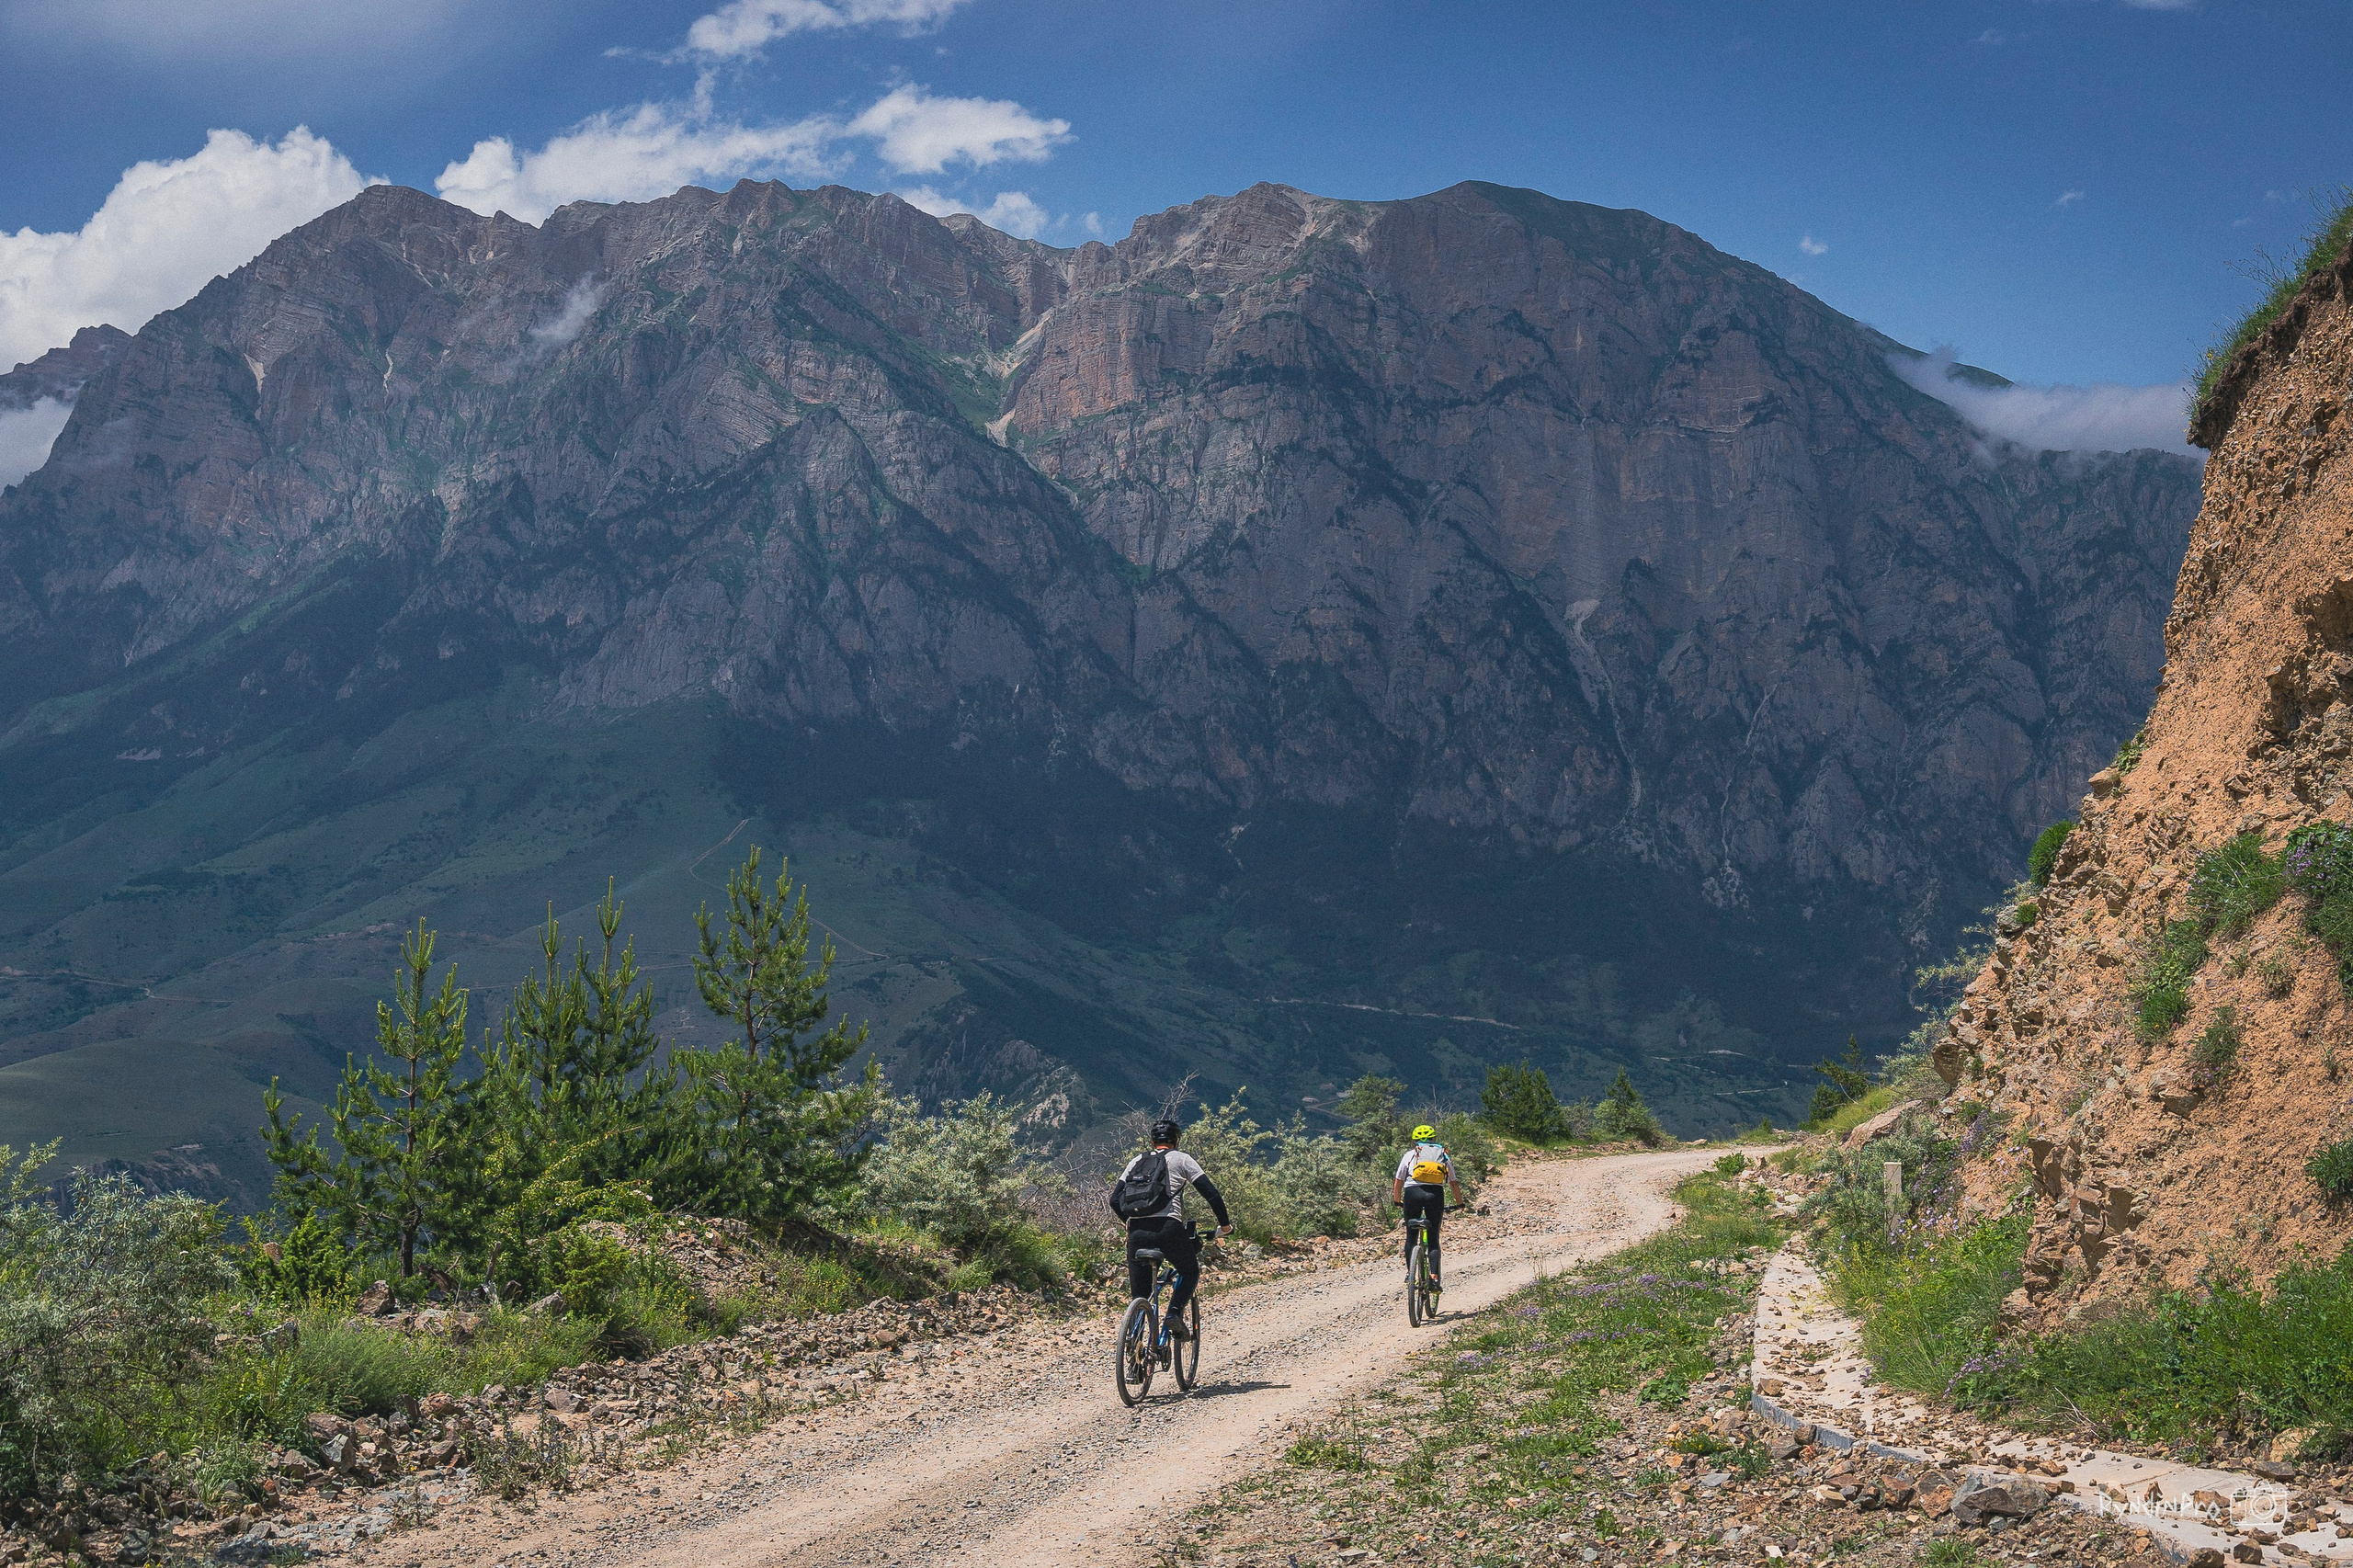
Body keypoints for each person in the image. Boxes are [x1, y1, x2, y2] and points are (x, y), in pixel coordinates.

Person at [1117, 1117, 1233, 1346]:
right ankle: (1174, 1314)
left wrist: (1129, 1222)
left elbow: (1114, 1200)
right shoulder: (1182, 1160)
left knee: (1140, 1296)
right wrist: (1225, 1225)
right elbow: (1211, 1194)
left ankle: (1134, 1354)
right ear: (1176, 1141)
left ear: (1152, 1142)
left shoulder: (1137, 1161)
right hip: (1169, 1229)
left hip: (1137, 1233)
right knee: (1189, 1272)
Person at [1392, 1123, 1469, 1292]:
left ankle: (1410, 1273)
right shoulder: (1442, 1156)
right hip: (1435, 1194)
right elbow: (1454, 1183)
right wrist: (1460, 1203)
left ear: (1415, 1141)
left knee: (1411, 1236)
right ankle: (1434, 1278)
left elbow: (1399, 1181)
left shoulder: (1410, 1155)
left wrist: (1397, 1201)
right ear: (1434, 1140)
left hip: (1412, 1194)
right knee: (1433, 1238)